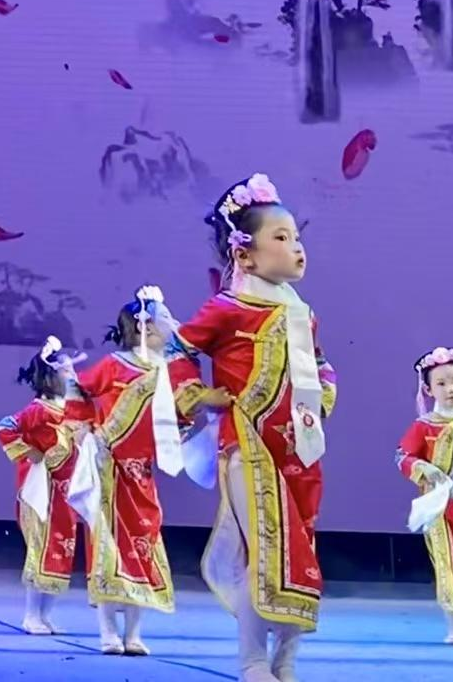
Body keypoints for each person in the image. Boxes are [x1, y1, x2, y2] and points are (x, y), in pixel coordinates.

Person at [170, 173, 333, 682]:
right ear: (244, 255)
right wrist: (198, 393)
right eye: (281, 238)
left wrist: (325, 391)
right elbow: (177, 349)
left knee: (298, 554)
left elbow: (320, 365)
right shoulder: (227, 309)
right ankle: (252, 660)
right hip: (246, 447)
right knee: (262, 550)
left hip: (299, 452)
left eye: (297, 237)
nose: (297, 248)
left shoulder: (302, 314)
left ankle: (286, 660)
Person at [70, 285, 216, 654]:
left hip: (142, 475)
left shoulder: (169, 370)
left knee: (142, 544)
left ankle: (134, 634)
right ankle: (108, 632)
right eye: (167, 318)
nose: (176, 324)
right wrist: (82, 426)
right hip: (108, 469)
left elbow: (181, 413)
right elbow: (77, 387)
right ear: (146, 327)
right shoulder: (113, 365)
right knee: (107, 547)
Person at [396, 346, 453, 645]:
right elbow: (403, 456)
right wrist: (424, 467)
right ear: (428, 390)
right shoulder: (423, 427)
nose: (450, 389)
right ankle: (452, 627)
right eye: (441, 383)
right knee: (447, 564)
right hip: (440, 508)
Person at [0, 335, 86, 635]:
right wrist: (27, 451)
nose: (73, 375)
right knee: (40, 550)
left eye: (73, 370)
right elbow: (3, 427)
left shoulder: (71, 410)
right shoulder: (38, 410)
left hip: (64, 493)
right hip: (40, 491)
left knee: (61, 550)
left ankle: (46, 616)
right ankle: (31, 615)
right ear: (50, 376)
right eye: (67, 370)